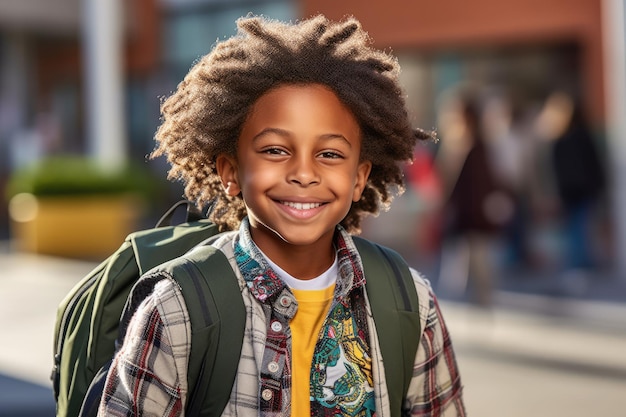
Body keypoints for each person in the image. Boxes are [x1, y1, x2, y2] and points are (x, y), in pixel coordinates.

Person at [98, 15, 466, 416]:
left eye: (329, 154)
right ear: (230, 171)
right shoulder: (177, 311)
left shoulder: (409, 302)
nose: (304, 174)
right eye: (275, 150)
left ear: (359, 178)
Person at [435, 88, 513, 307]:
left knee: (478, 266)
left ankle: (480, 303)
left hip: (474, 216)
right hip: (466, 217)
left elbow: (486, 182)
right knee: (464, 268)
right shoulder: (457, 145)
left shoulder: (476, 146)